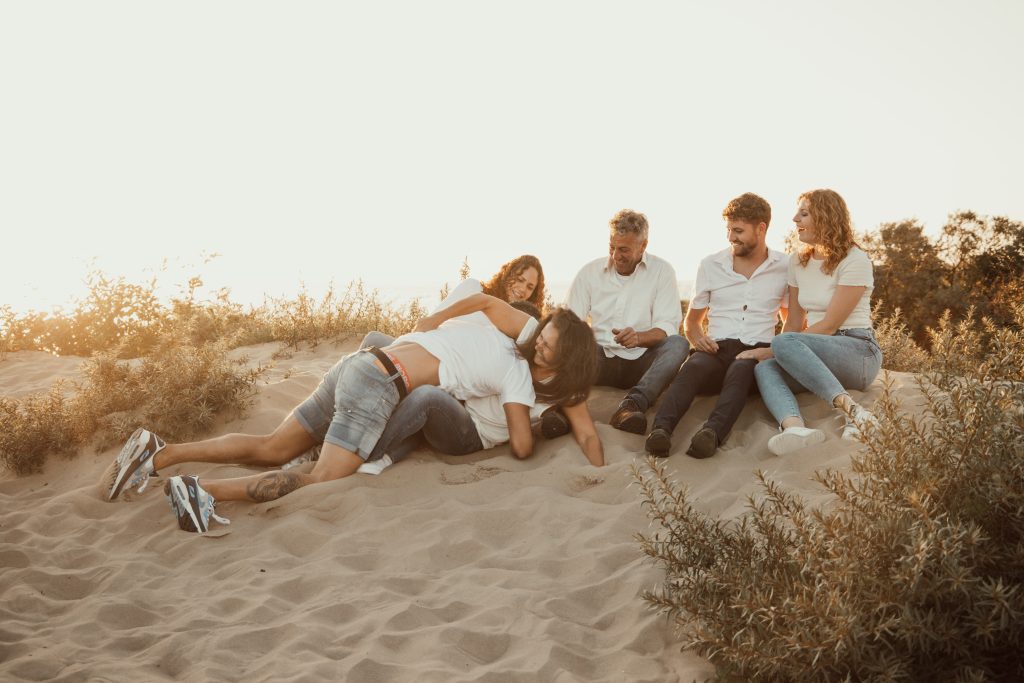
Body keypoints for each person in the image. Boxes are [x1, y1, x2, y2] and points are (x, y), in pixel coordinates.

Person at [105, 296, 597, 533]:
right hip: (380, 384)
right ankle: (202, 493)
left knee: (271, 446)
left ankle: (161, 452)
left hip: (360, 363)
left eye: (549, 347)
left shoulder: (486, 321)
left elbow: (486, 298)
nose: (541, 350)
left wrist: (427, 321)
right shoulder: (515, 371)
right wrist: (549, 420)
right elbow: (522, 445)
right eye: (545, 341)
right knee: (321, 479)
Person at [644, 193, 789, 459]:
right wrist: (698, 339)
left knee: (742, 370)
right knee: (693, 368)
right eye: (728, 230)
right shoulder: (711, 265)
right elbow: (692, 322)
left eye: (738, 231)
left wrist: (770, 351)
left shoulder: (785, 266)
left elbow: (792, 320)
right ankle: (660, 432)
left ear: (761, 228)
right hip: (716, 348)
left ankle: (711, 433)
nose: (731, 237)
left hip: (756, 352)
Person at [753, 189, 883, 455]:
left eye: (803, 213)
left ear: (825, 217)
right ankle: (794, 428)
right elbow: (794, 323)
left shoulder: (855, 260)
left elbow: (830, 325)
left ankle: (855, 413)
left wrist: (773, 347)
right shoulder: (797, 261)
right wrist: (775, 353)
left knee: (780, 345)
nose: (794, 219)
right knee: (765, 369)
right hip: (814, 352)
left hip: (858, 352)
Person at [546, 209, 688, 436]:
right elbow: (569, 321)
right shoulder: (589, 272)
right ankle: (563, 409)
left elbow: (667, 326)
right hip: (598, 360)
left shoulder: (662, 271)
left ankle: (631, 407)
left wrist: (640, 337)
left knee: (679, 344)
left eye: (624, 249)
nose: (615, 255)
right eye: (612, 247)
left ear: (643, 246)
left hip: (642, 362)